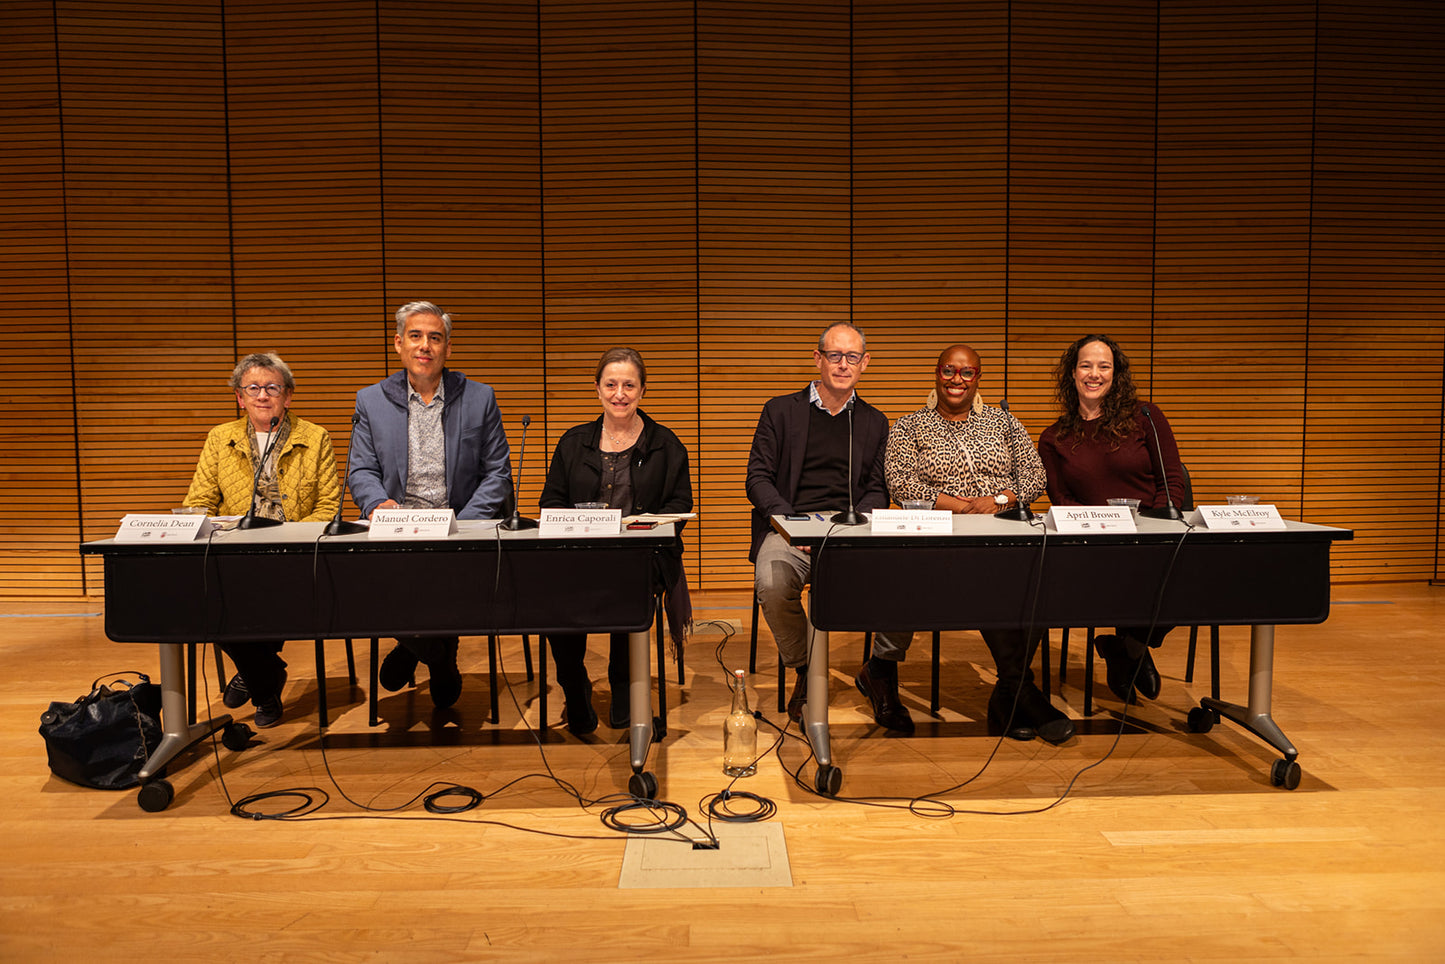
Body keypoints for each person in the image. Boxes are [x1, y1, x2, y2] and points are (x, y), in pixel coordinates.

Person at [879, 343, 1075, 744]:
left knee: (1044, 578)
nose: (957, 380)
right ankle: (1021, 693)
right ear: (936, 373)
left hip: (1007, 527)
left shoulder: (1005, 423)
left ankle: (1009, 692)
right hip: (942, 536)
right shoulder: (909, 426)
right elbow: (899, 482)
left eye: (967, 373)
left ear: (978, 378)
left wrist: (997, 500)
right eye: (949, 370)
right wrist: (955, 505)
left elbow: (1034, 478)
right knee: (991, 578)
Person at [348, 301, 513, 709]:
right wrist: (376, 504)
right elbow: (361, 469)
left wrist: (462, 522)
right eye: (416, 336)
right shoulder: (371, 400)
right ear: (399, 343)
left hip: (459, 525)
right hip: (396, 526)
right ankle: (439, 656)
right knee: (366, 583)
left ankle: (413, 647)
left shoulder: (479, 397)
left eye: (435, 338)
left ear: (448, 348)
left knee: (447, 575)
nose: (426, 346)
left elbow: (498, 473)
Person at [538, 348, 693, 734]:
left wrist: (645, 526)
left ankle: (625, 689)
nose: (619, 393)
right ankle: (574, 688)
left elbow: (680, 505)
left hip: (641, 558)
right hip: (578, 557)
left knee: (631, 590)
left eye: (629, 385)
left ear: (642, 390)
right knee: (554, 597)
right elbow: (551, 502)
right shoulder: (573, 444)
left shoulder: (667, 445)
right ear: (597, 389)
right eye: (611, 384)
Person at [183, 352, 341, 727]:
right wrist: (214, 529)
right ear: (240, 397)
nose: (262, 395)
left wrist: (291, 540)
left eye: (272, 387)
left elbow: (328, 505)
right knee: (205, 603)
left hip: (295, 555)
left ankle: (258, 681)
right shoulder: (220, 438)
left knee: (262, 594)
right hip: (233, 552)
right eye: (252, 388)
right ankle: (267, 678)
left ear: (288, 396)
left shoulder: (315, 437)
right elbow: (199, 502)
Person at [746, 322, 890, 728]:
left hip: (848, 537)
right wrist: (793, 525)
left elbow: (878, 491)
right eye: (834, 355)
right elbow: (757, 478)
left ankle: (881, 670)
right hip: (789, 532)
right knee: (773, 583)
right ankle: (807, 669)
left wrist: (845, 530)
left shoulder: (875, 423)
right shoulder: (780, 410)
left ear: (865, 363)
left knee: (902, 577)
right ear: (818, 358)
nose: (843, 365)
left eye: (852, 357)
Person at [1038, 333, 1187, 705]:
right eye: (1086, 365)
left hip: (1151, 538)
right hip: (1094, 546)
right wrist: (1100, 530)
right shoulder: (1054, 437)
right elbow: (1062, 501)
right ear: (1072, 373)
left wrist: (1149, 529)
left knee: (1191, 577)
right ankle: (1127, 648)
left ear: (1116, 373)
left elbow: (1170, 481)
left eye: (1104, 366)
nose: (1094, 374)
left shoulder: (1146, 417)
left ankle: (1129, 647)